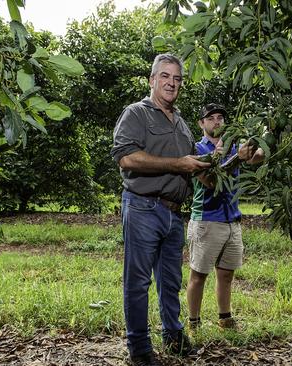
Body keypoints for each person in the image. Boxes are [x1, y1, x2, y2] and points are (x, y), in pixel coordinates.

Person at [110, 54, 211, 366]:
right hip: (142, 207)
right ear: (152, 80)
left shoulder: (181, 125)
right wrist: (177, 163)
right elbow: (126, 158)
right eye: (165, 76)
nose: (171, 83)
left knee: (170, 281)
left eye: (177, 79)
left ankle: (173, 335)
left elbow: (196, 171)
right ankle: (139, 348)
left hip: (173, 213)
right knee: (138, 281)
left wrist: (230, 161)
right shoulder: (137, 113)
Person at [186, 103, 264, 331]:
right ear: (201, 123)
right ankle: (194, 322)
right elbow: (210, 180)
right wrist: (237, 158)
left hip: (232, 220)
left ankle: (225, 318)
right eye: (211, 118)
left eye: (220, 117)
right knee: (199, 274)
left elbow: (257, 156)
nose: (217, 121)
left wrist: (266, 138)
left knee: (226, 274)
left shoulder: (233, 148)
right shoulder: (197, 150)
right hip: (206, 220)